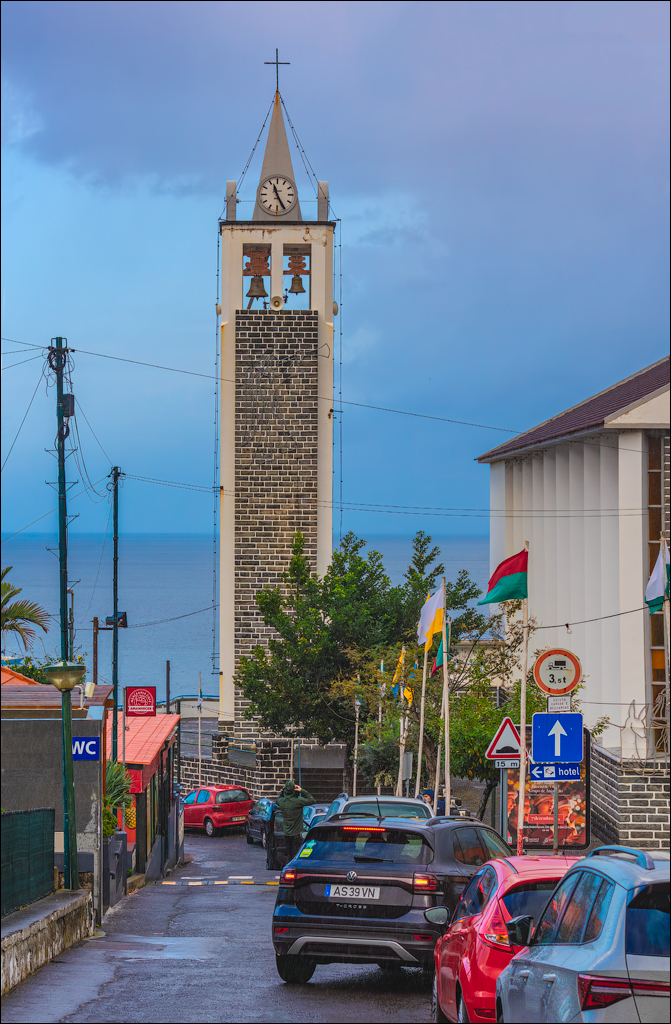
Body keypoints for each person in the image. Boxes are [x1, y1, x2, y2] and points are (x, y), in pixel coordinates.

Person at [277, 780, 315, 863]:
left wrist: (282, 792)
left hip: (287, 833)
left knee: (289, 854)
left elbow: (278, 800)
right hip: (297, 833)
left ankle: (288, 868)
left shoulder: (282, 802)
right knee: (297, 853)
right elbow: (312, 800)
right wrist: (301, 790)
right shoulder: (298, 801)